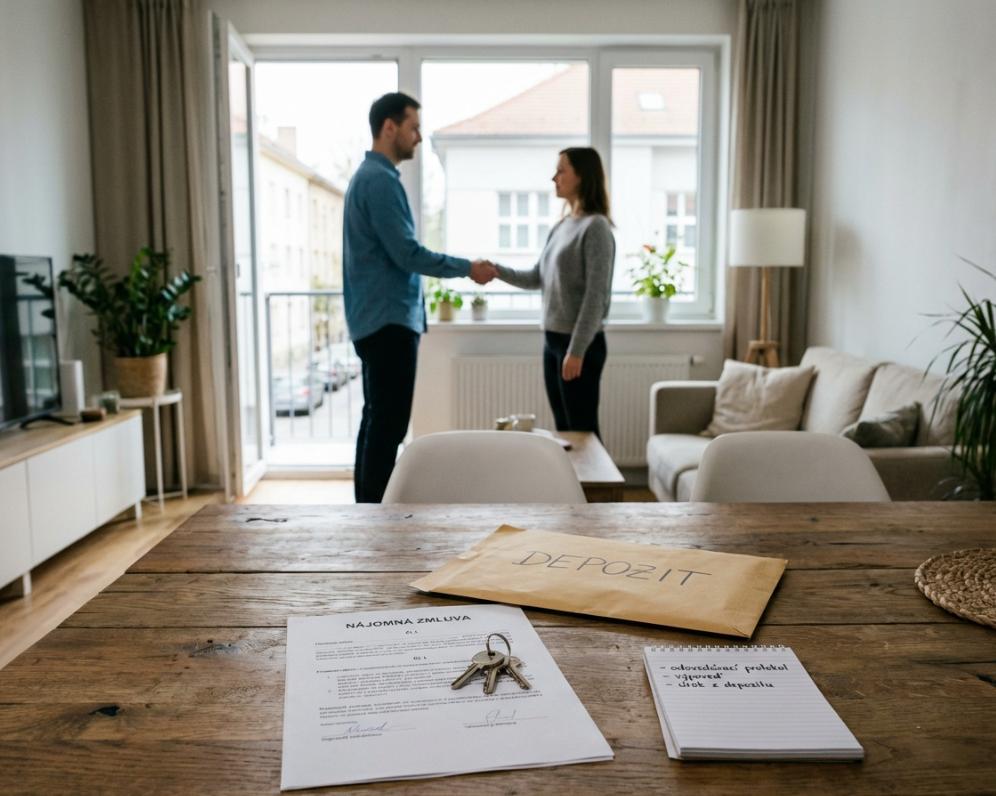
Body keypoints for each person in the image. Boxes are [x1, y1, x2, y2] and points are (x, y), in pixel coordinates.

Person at [343, 92, 496, 503]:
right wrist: (468, 267)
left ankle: (367, 513)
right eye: (413, 127)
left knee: (376, 420)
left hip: (377, 319)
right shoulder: (378, 181)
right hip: (388, 321)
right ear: (389, 127)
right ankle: (377, 517)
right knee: (388, 426)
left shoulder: (371, 177)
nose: (419, 137)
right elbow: (406, 254)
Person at [495, 147, 615, 437]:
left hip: (578, 345)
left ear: (582, 176)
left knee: (582, 431)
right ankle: (570, 484)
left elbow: (595, 298)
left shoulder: (596, 228)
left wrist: (576, 351)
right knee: (565, 430)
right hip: (553, 341)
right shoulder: (562, 227)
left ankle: (593, 484)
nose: (554, 177)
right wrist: (496, 270)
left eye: (562, 170)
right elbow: (537, 277)